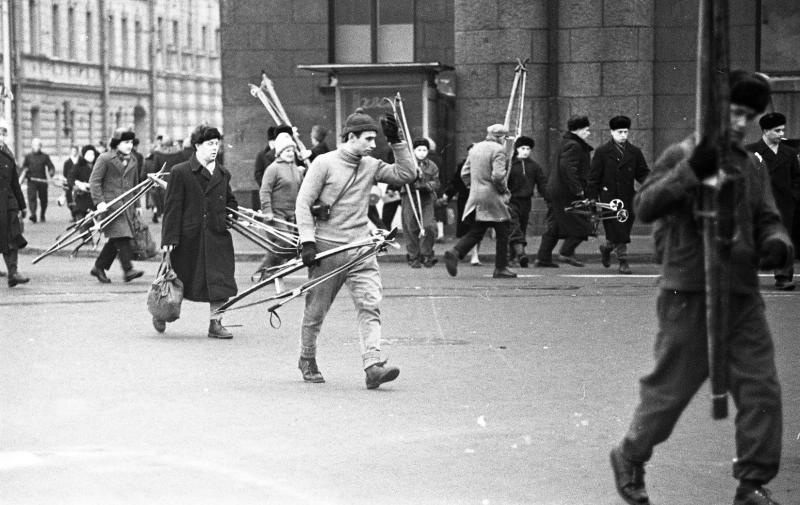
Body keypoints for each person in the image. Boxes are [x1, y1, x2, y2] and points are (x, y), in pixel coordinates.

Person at [610, 71, 792, 505]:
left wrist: (775, 242)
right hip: (688, 290)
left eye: (748, 116)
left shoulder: (750, 164)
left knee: (761, 390)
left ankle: (752, 483)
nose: (741, 123)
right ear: (713, 109)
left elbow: (767, 215)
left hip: (742, 294)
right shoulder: (682, 154)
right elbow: (646, 205)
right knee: (670, 390)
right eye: (734, 112)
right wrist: (692, 172)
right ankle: (630, 454)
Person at [294, 108, 415, 388]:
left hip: (362, 248)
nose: (374, 145)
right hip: (328, 249)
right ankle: (307, 357)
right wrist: (308, 241)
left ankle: (372, 365)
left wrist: (396, 140)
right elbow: (303, 202)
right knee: (316, 311)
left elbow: (407, 174)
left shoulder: (370, 166)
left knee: (370, 305)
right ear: (351, 137)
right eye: (369, 139)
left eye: (376, 139)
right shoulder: (323, 163)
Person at [160, 124, 238, 338]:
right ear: (197, 146)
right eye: (210, 144)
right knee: (177, 281)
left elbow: (230, 201)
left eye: (217, 144)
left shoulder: (223, 174)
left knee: (221, 281)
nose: (215, 148)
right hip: (189, 239)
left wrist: (233, 214)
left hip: (217, 236)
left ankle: (216, 323)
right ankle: (161, 312)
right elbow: (172, 208)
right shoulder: (181, 172)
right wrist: (169, 238)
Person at [443, 124, 515, 279]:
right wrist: (503, 190)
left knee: (477, 231)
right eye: (505, 137)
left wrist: (473, 186)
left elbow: (465, 172)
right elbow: (498, 176)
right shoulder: (499, 150)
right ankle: (501, 267)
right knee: (503, 231)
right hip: (493, 197)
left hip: (476, 196)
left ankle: (455, 252)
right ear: (501, 137)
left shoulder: (475, 148)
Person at [587, 116, 650, 274]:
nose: (623, 135)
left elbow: (643, 173)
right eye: (620, 132)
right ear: (612, 132)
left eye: (626, 132)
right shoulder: (602, 152)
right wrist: (593, 199)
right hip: (609, 198)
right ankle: (623, 261)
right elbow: (593, 178)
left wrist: (653, 184)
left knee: (623, 228)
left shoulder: (634, 152)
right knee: (618, 227)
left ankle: (607, 248)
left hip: (628, 197)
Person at [746, 112, 800, 290]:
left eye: (782, 130)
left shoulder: (790, 153)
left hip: (785, 204)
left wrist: (793, 196)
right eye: (777, 131)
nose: (781, 134)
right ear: (765, 131)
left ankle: (783, 277)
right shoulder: (751, 151)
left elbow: (796, 178)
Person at [535, 116, 594, 267]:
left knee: (554, 225)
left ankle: (543, 258)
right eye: (586, 130)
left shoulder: (565, 143)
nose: (589, 133)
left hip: (556, 191)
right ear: (578, 130)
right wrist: (578, 189)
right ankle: (566, 252)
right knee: (583, 225)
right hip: (566, 192)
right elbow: (567, 168)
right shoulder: (574, 145)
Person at [88, 129, 145, 284]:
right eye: (126, 142)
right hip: (110, 206)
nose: (129, 145)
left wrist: (138, 204)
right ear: (117, 143)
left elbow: (135, 184)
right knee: (121, 235)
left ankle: (98, 267)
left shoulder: (133, 160)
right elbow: (94, 181)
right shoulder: (105, 158)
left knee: (116, 238)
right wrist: (99, 202)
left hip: (127, 205)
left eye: (131, 142)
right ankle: (128, 269)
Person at [256, 132, 303, 279]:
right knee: (285, 240)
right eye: (287, 150)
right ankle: (266, 269)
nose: (290, 153)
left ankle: (273, 268)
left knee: (294, 245)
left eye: (292, 150)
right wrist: (267, 210)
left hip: (292, 214)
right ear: (280, 152)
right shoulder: (273, 169)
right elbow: (264, 191)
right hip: (276, 214)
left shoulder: (296, 168)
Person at [507, 136, 547, 268]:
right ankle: (521, 254)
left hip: (526, 201)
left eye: (528, 149)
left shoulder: (534, 166)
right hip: (511, 200)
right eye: (522, 148)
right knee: (514, 227)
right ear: (517, 149)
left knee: (521, 228)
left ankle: (513, 257)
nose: (525, 151)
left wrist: (548, 198)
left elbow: (541, 184)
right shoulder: (510, 165)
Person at [0, 124, 30, 287]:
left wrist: (22, 205)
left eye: (4, 135)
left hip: (9, 203)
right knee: (5, 238)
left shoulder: (7, 155)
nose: (2, 138)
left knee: (13, 237)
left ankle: (13, 273)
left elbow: (14, 183)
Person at [402, 138, 440, 268]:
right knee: (411, 226)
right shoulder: (409, 164)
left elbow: (437, 182)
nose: (422, 153)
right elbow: (401, 177)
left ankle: (427, 254)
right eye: (419, 150)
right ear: (414, 151)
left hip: (426, 198)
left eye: (424, 150)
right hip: (410, 196)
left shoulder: (432, 166)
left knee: (428, 226)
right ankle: (413, 256)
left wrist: (426, 185)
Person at [149, 135, 190, 223]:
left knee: (163, 200)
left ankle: (163, 215)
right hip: (175, 179)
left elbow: (155, 168)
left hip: (162, 180)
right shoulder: (179, 153)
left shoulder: (158, 153)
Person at [21, 138, 55, 223]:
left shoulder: (45, 156)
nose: (37, 147)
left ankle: (42, 214)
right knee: (31, 198)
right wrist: (25, 172)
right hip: (31, 180)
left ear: (41, 146)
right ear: (32, 146)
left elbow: (51, 166)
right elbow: (24, 167)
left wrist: (51, 172)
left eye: (38, 145)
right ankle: (33, 214)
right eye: (35, 145)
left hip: (42, 181)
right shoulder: (28, 157)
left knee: (43, 199)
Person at [66, 145, 98, 221]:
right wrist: (76, 185)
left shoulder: (98, 166)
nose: (91, 156)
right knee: (82, 221)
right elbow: (70, 178)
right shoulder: (78, 166)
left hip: (94, 197)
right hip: (81, 198)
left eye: (92, 154)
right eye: (89, 154)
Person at [62, 146, 81, 220]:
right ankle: (73, 214)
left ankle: (77, 215)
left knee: (78, 199)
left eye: (75, 151)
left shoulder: (80, 161)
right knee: (70, 199)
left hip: (78, 183)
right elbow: (65, 173)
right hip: (70, 183)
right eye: (73, 151)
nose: (74, 152)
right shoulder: (67, 162)